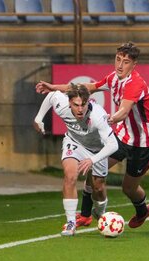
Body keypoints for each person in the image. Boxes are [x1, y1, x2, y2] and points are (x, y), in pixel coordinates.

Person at [36, 41, 149, 229]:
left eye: (125, 62)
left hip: (145, 143)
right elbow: (88, 87)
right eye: (118, 59)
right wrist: (54, 87)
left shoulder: (135, 84)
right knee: (93, 165)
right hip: (123, 136)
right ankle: (85, 215)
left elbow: (124, 111)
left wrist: (109, 119)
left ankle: (142, 210)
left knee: (128, 188)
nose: (120, 65)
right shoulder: (113, 77)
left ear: (134, 65)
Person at [33, 84, 118, 236]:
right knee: (70, 175)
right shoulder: (62, 104)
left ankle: (100, 212)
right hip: (74, 143)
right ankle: (71, 223)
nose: (80, 109)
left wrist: (92, 160)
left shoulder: (98, 116)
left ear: (88, 102)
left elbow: (113, 145)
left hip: (98, 151)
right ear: (69, 102)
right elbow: (52, 96)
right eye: (76, 105)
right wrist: (39, 118)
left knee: (98, 188)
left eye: (83, 105)